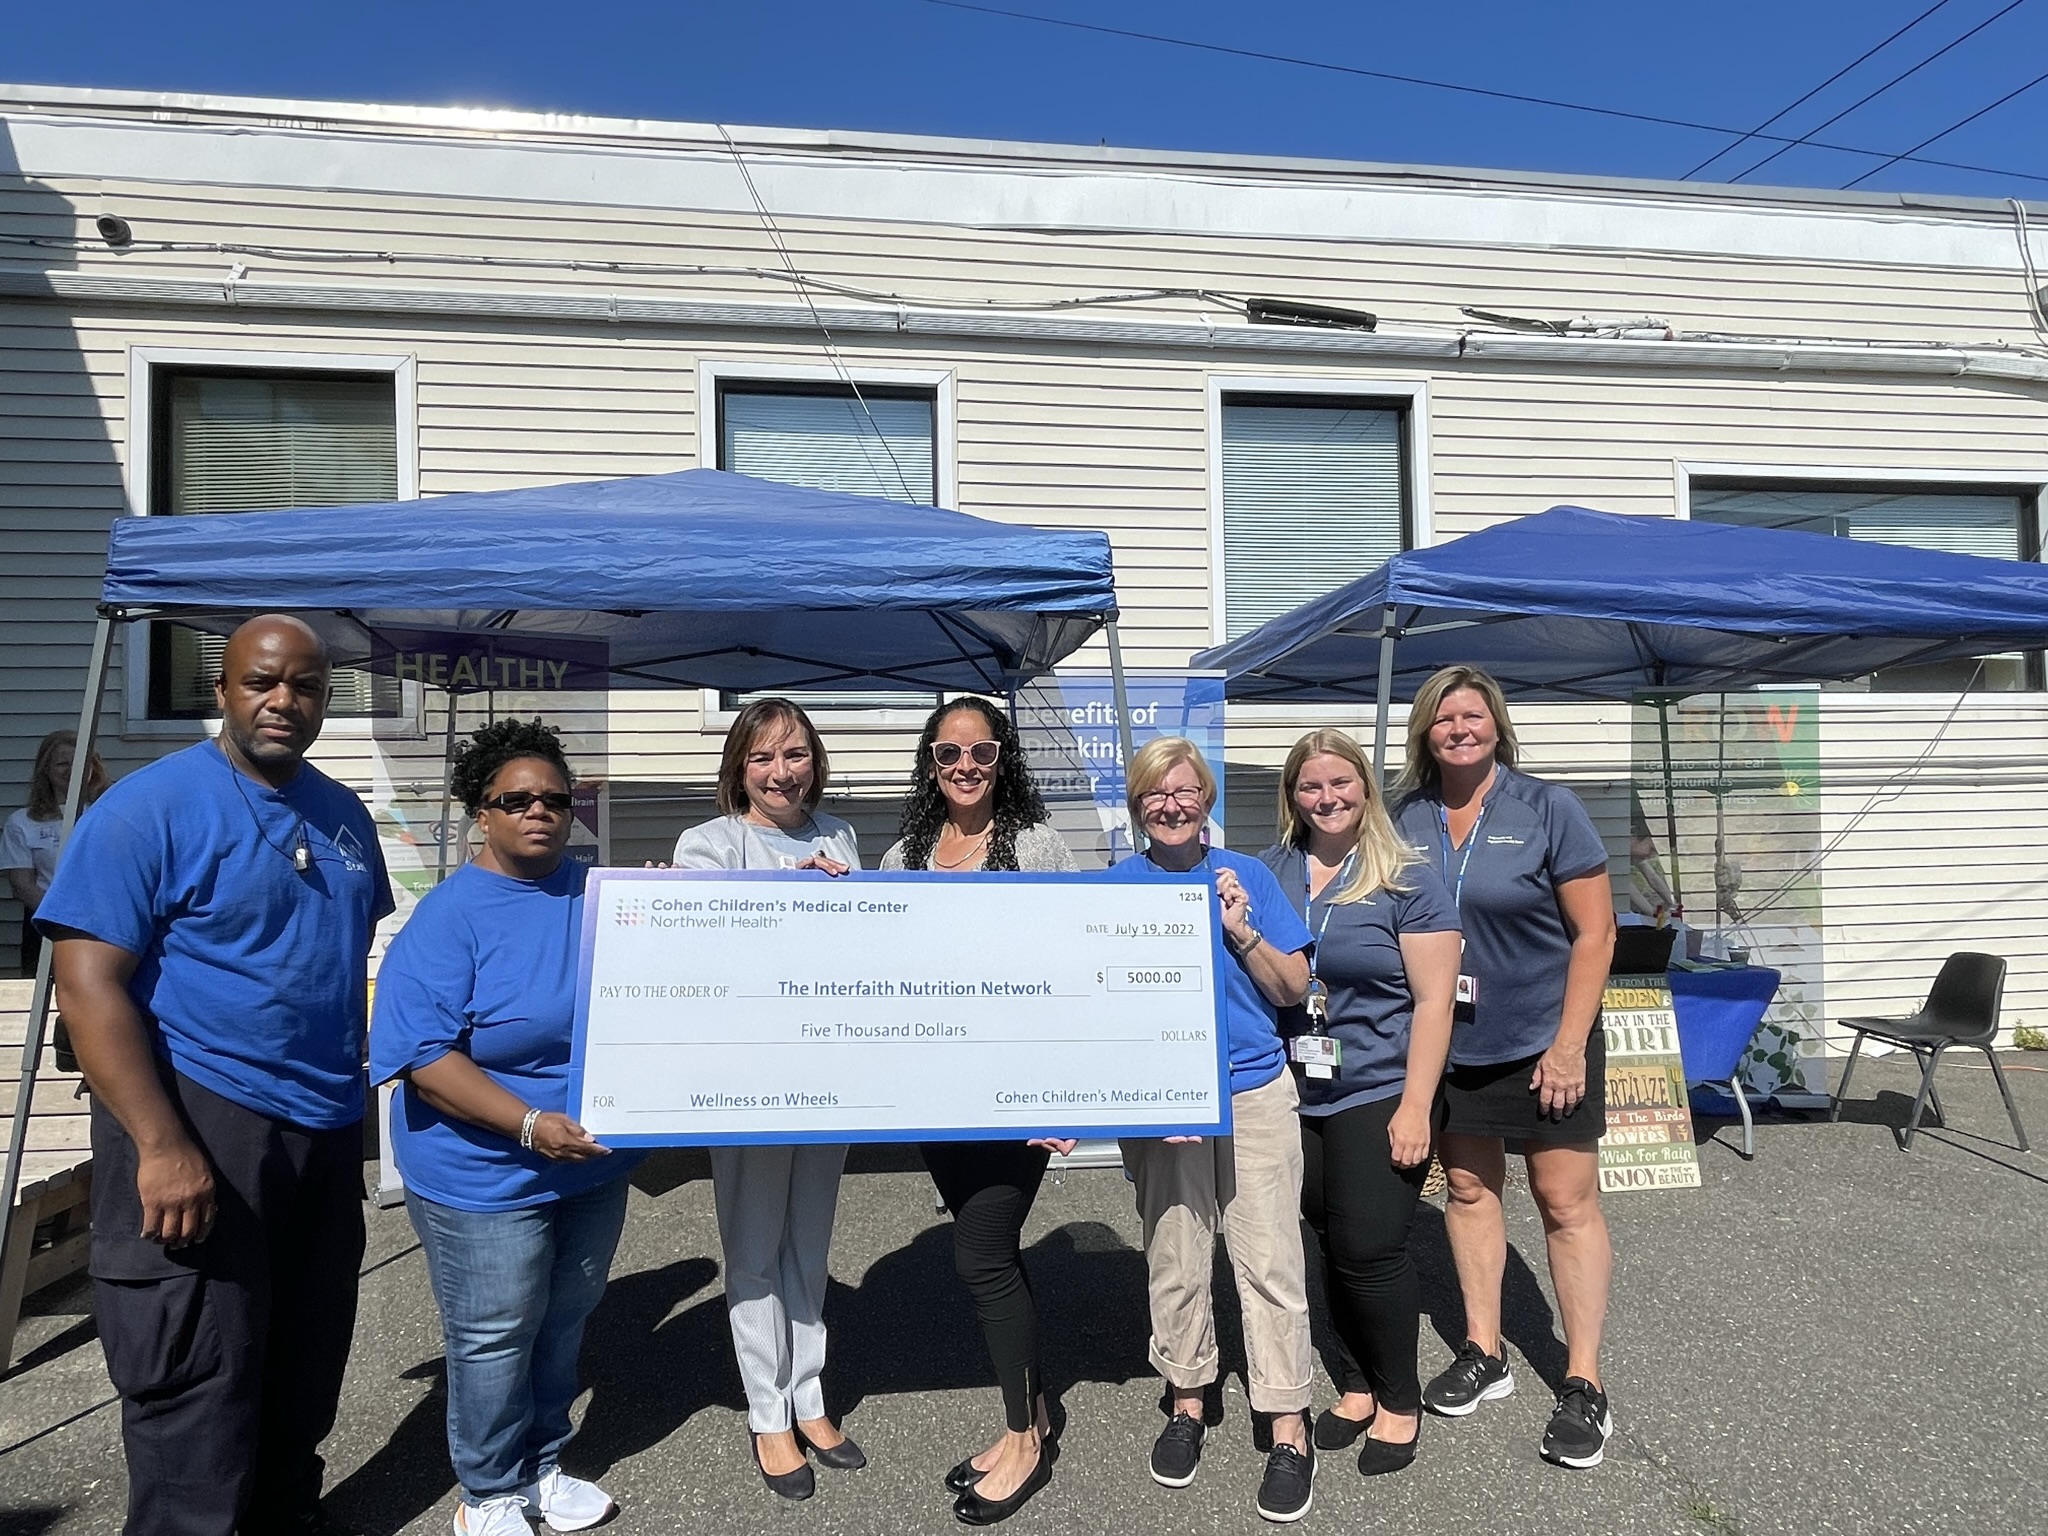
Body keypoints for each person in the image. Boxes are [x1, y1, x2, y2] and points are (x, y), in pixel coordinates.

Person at [38, 614, 393, 1536]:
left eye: (305, 686)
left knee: (302, 1368)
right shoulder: (147, 809)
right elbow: (87, 983)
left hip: (321, 1130)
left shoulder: (344, 815)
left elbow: (336, 956)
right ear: (224, 689)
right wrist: (161, 1145)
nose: (284, 701)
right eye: (262, 682)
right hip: (196, 1117)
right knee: (195, 1385)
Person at [372, 718, 639, 1536]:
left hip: (589, 1163)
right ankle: (487, 1493)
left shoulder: (603, 897)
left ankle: (543, 1465)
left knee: (564, 1317)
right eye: (516, 799)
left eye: (556, 798)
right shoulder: (449, 917)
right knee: (494, 1335)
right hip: (484, 1172)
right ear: (480, 812)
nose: (539, 811)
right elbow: (422, 1056)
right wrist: (527, 1125)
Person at [1390, 665, 1618, 1470]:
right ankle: (1484, 1351)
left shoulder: (1547, 808)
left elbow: (1596, 934)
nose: (1459, 728)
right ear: (1425, 731)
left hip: (1544, 1040)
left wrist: (1569, 1044)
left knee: (1564, 1202)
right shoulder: (1403, 815)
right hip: (1452, 1045)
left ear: (1496, 726)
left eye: (1473, 716)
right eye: (1444, 717)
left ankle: (1583, 1381)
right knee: (1467, 1190)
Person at [878, 696, 1076, 1526]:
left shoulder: (1037, 845)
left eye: (982, 752)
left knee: (981, 1255)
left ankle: (1024, 1442)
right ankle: (1029, 1413)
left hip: (1013, 1091)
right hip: (937, 1096)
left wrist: (1063, 1088)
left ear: (1004, 760)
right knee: (990, 1248)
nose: (966, 766)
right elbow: (881, 966)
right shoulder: (903, 855)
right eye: (949, 753)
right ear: (931, 764)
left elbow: (1072, 966)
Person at [1114, 737, 1320, 1525]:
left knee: (1270, 1261)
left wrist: (1243, 931)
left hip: (1255, 1091)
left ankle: (1288, 1423)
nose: (1171, 805)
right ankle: (1188, 1398)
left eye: (1184, 791)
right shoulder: (1115, 887)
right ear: (1138, 805)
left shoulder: (1249, 876)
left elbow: (1293, 988)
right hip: (1164, 1105)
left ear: (1206, 798)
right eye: (1154, 794)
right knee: (1176, 1255)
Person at [670, 697, 864, 1502]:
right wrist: (793, 891)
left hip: (826, 1068)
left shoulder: (840, 836)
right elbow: (704, 942)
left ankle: (809, 1394)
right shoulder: (708, 842)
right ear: (738, 769)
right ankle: (766, 1410)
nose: (781, 772)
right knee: (753, 1245)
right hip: (748, 1076)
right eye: (762, 757)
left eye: (795, 754)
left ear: (815, 760)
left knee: (809, 1242)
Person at [1258, 729, 1459, 1478]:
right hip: (1293, 1090)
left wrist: (1417, 1106)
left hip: (1380, 1087)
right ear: (1293, 796)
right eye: (1310, 786)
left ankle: (1399, 1401)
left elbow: (1435, 1001)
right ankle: (1355, 1384)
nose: (1327, 798)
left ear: (1365, 789)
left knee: (1370, 1248)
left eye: (1340, 782)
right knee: (1322, 1240)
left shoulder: (1406, 878)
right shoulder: (1270, 871)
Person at [3, 728, 108, 976]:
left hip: (104, 926)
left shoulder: (108, 812)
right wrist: (64, 921)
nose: (72, 769)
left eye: (80, 761)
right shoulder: (23, 822)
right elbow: (22, 885)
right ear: (46, 769)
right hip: (46, 927)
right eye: (62, 763)